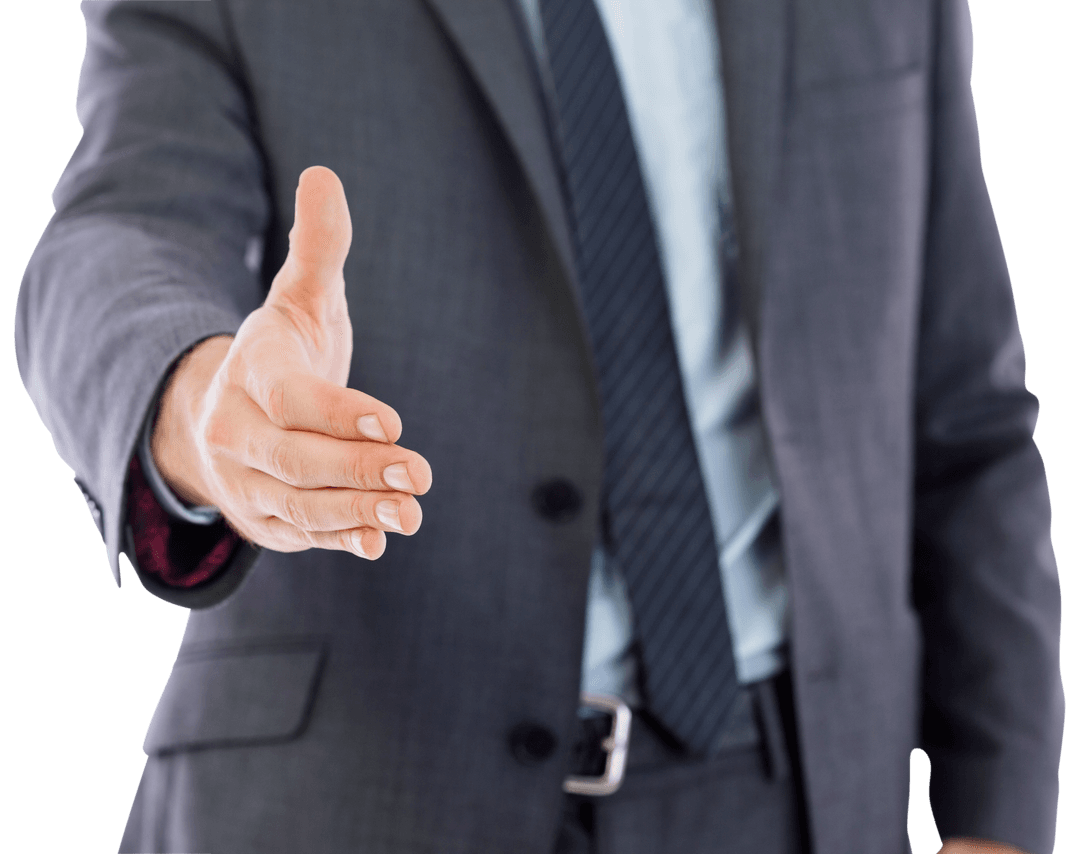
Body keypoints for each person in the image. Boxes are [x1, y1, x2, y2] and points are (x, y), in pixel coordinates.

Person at [14, 0, 1064, 852]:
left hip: (784, 796)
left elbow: (964, 414)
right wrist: (199, 401)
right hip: (360, 791)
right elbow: (120, 228)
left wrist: (998, 814)